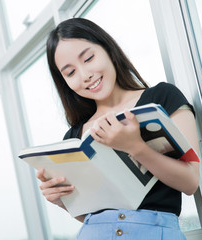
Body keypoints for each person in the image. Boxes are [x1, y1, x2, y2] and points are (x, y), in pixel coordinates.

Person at [37, 17, 200, 239]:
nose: (85, 75)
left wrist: (136, 147)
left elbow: (190, 182)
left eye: (89, 58)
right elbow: (93, 214)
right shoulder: (74, 137)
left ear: (108, 49)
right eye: (70, 72)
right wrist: (62, 200)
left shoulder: (162, 98)